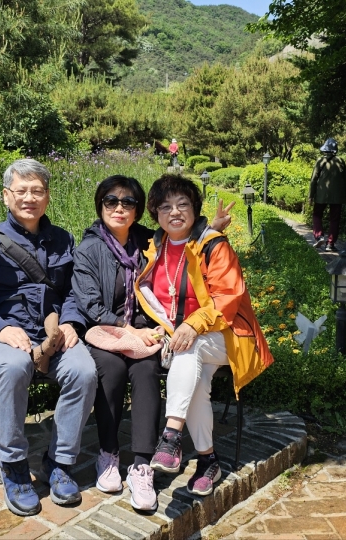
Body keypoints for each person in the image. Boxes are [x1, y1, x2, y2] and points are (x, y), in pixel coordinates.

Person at [73, 175, 234, 511]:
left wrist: (210, 232)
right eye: (111, 201)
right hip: (120, 332)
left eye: (128, 202)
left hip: (178, 334)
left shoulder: (152, 241)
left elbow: (198, 254)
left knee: (152, 370)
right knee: (119, 371)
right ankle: (113, 454)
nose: (119, 208)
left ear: (138, 211)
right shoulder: (99, 248)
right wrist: (129, 330)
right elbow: (89, 303)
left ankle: (147, 459)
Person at [0, 158, 98, 517]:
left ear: (47, 196)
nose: (29, 198)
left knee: (83, 371)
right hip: (2, 338)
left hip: (52, 336)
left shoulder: (62, 239)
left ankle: (59, 462)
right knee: (14, 367)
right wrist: (0, 328)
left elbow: (73, 292)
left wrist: (71, 323)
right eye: (21, 191)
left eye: (37, 191)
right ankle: (13, 465)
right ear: (6, 196)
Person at [136, 174, 273, 497]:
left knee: (189, 348)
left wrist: (192, 325)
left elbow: (228, 297)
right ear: (155, 213)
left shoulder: (214, 245)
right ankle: (208, 460)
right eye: (165, 206)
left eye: (182, 204)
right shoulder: (156, 247)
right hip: (188, 341)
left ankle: (171, 436)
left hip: (228, 335)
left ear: (195, 209)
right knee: (195, 380)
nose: (174, 212)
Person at [309, 137, 346, 252]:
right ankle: (330, 244)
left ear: (325, 149)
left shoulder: (320, 161)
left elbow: (313, 180)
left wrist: (311, 196)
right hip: (338, 196)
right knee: (334, 219)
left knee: (317, 215)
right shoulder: (340, 161)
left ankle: (319, 236)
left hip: (321, 195)